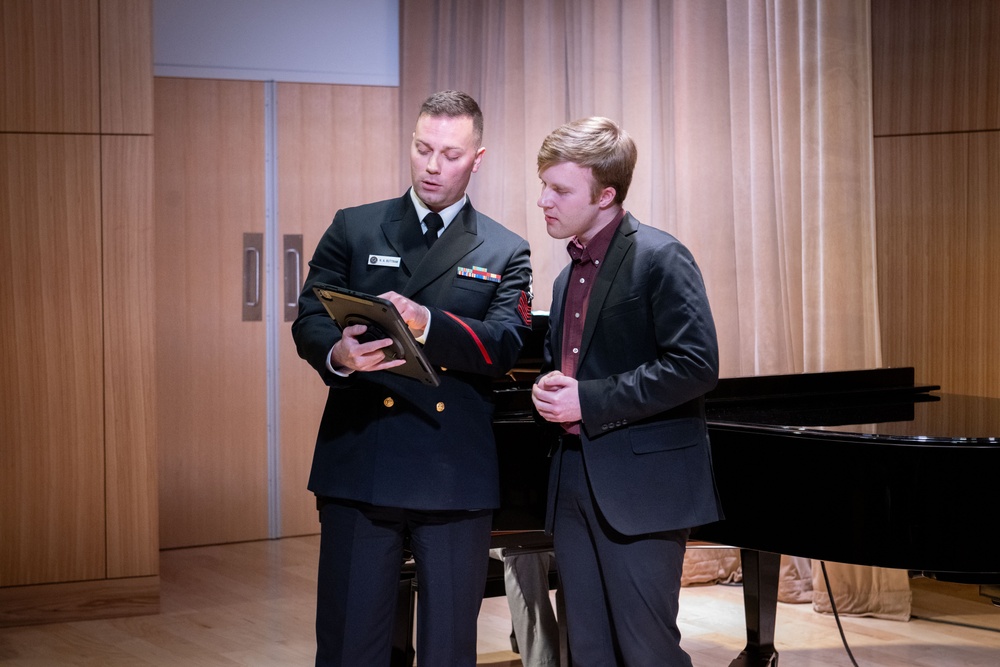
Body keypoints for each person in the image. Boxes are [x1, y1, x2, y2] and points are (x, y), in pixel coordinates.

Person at [292, 90, 533, 667]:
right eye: (423, 149)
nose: (432, 166)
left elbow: (504, 345)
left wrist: (428, 322)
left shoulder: (504, 248)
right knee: (351, 643)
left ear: (478, 159)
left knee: (449, 649)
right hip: (360, 459)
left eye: (451, 154)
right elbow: (308, 318)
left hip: (453, 470)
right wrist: (339, 356)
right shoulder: (355, 226)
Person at [530, 117, 723, 666]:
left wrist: (586, 399)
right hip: (573, 481)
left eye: (560, 189)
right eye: (543, 184)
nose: (544, 200)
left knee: (647, 652)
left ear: (606, 194)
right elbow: (574, 366)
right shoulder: (568, 274)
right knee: (587, 651)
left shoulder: (662, 257)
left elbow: (696, 365)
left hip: (641, 490)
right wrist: (549, 386)